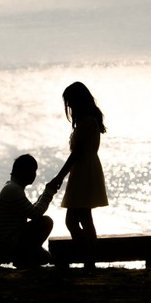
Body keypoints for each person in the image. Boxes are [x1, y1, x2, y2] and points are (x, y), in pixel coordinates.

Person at [48, 82, 108, 268]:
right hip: (85, 170)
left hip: (84, 171)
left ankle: (89, 261)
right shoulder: (88, 120)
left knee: (74, 220)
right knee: (83, 218)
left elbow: (76, 154)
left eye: (71, 102)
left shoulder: (87, 122)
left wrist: (59, 177)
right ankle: (89, 261)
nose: (70, 106)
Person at [0, 154, 61, 267]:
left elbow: (30, 210)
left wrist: (45, 193)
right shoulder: (13, 190)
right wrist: (48, 193)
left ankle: (1, 256)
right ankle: (17, 257)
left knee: (45, 258)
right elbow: (35, 214)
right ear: (24, 172)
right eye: (33, 171)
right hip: (7, 243)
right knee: (46, 222)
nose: (34, 175)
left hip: (6, 241)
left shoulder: (12, 187)